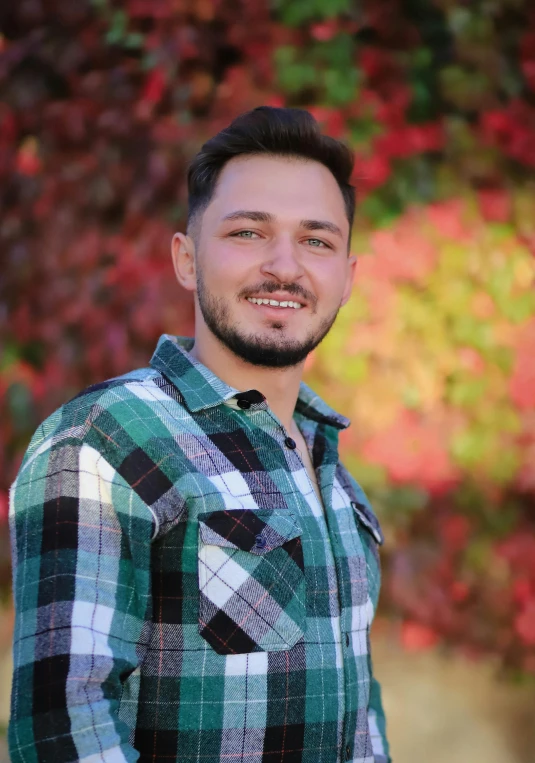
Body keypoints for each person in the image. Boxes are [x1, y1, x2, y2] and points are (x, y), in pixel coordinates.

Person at [9, 106, 391, 763]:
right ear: (186, 259)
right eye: (247, 233)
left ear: (347, 277)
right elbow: (64, 729)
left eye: (316, 240)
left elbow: (357, 712)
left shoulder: (326, 460)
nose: (284, 266)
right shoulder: (105, 439)